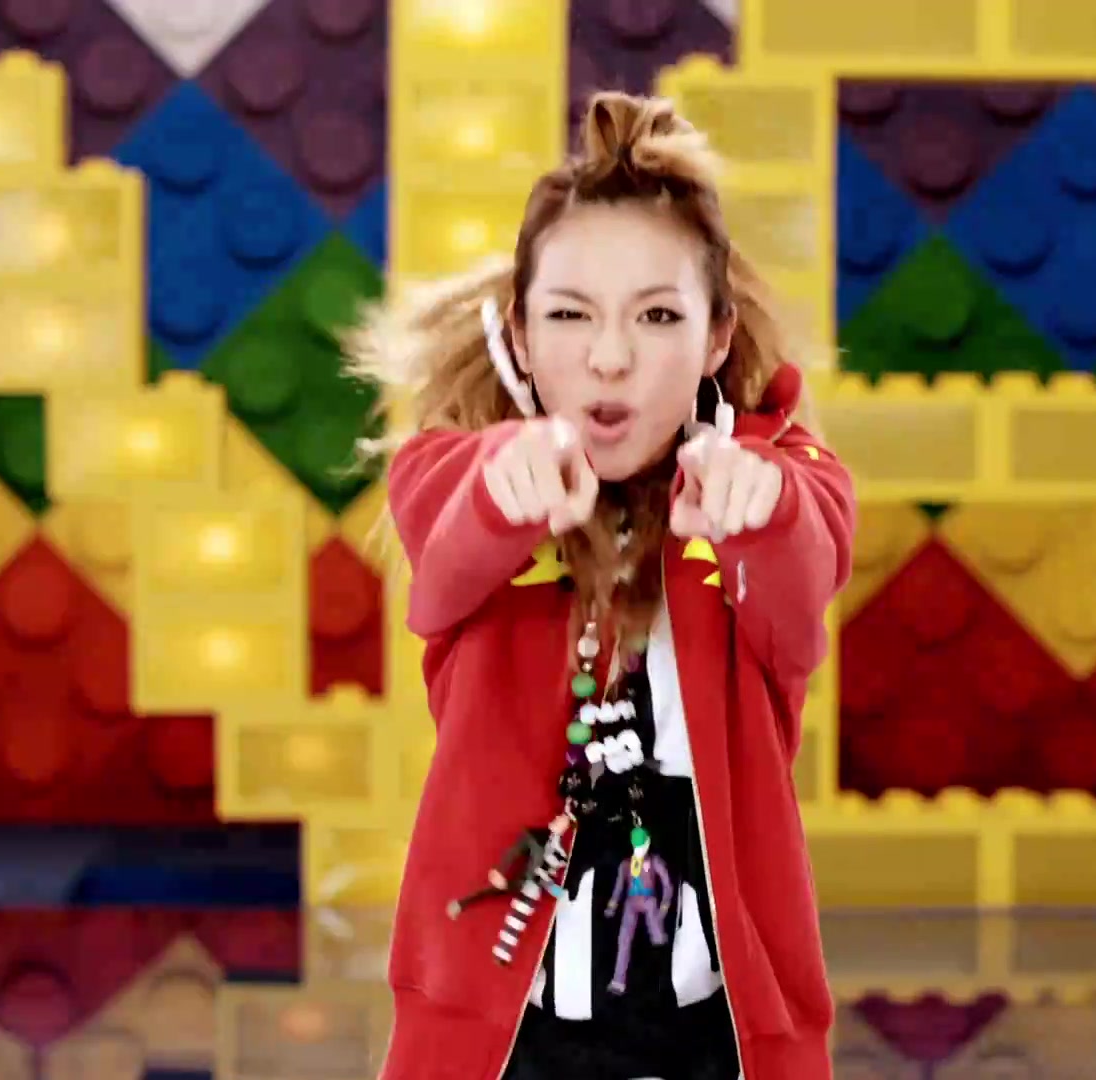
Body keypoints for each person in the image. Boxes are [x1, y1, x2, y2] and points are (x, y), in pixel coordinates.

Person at [346, 90, 854, 1080]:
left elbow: (799, 603)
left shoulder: (784, 477)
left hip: (720, 1040)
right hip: (508, 1043)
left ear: (716, 338)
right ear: (520, 337)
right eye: (570, 315)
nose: (610, 359)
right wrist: (504, 491)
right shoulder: (451, 469)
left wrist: (761, 512)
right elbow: (442, 557)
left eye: (658, 316)